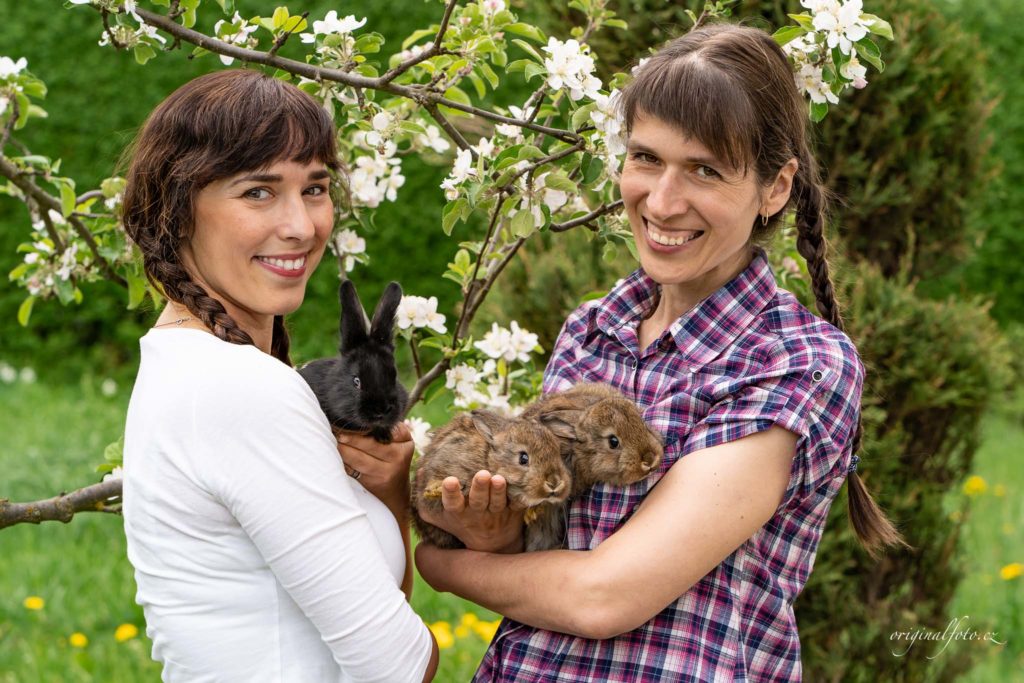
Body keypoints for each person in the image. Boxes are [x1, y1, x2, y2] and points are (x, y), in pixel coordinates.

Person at [414, 23, 906, 681]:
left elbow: (603, 594)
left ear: (775, 187)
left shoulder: (793, 362)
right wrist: (476, 524)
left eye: (704, 169)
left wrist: (438, 565)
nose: (663, 201)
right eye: (647, 158)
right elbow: (545, 539)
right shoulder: (592, 331)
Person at [120, 69, 438, 682]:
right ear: (179, 210)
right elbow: (398, 665)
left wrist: (389, 497)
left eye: (314, 188)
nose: (301, 225)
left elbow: (371, 610)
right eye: (258, 192)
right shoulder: (238, 388)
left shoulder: (188, 362)